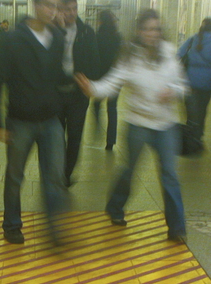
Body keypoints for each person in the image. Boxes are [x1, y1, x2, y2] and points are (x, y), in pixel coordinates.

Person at [75, 10, 189, 241]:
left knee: (169, 175)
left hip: (166, 126)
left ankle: (177, 229)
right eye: (147, 29)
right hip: (138, 124)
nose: (152, 33)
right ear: (139, 31)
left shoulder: (169, 53)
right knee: (130, 170)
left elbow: (183, 85)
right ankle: (115, 206)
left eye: (155, 29)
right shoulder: (129, 56)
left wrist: (173, 91)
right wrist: (92, 88)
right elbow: (111, 83)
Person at [0, 0, 69, 246]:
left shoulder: (57, 38)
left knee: (55, 176)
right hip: (20, 121)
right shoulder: (13, 39)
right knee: (15, 176)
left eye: (55, 6)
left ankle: (54, 230)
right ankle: (12, 224)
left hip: (51, 120)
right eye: (47, 5)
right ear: (35, 5)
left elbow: (59, 76)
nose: (51, 11)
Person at [58, 0, 99, 186]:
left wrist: (89, 82)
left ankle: (66, 174)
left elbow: (95, 60)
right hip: (56, 94)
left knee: (74, 136)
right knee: (56, 137)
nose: (71, 13)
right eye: (67, 9)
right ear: (60, 10)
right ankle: (57, 170)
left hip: (78, 95)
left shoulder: (86, 32)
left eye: (74, 8)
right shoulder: (52, 30)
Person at [178, 18, 211, 146]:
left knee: (190, 110)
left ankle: (189, 135)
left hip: (190, 81)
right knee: (202, 110)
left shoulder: (191, 40)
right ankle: (198, 136)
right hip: (207, 84)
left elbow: (179, 54)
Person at [92, 10, 121, 151]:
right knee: (112, 108)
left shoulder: (97, 36)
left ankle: (97, 125)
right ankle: (110, 141)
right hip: (115, 77)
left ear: (101, 21)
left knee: (96, 103)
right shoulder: (118, 37)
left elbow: (94, 56)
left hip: (101, 76)